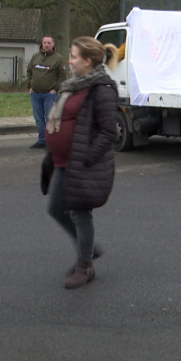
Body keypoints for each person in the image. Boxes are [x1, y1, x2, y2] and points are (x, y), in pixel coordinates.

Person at [44, 36, 118, 289]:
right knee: (55, 208)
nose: (70, 60)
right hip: (62, 161)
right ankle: (87, 249)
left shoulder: (101, 89)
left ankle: (85, 266)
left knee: (79, 213)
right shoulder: (73, 85)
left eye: (74, 56)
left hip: (81, 162)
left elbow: (109, 132)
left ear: (88, 61)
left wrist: (85, 156)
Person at [27, 35, 67, 149]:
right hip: (35, 93)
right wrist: (30, 85)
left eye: (49, 42)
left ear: (53, 44)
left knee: (50, 118)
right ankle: (41, 140)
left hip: (49, 95)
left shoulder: (58, 59)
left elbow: (62, 76)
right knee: (39, 119)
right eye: (44, 42)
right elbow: (29, 71)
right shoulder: (35, 57)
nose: (46, 44)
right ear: (41, 44)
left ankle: (52, 141)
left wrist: (55, 89)